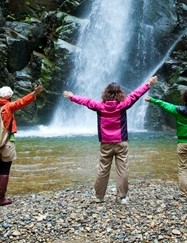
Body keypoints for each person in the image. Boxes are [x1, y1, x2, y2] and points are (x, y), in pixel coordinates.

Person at [63, 76, 158, 204]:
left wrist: (72, 97)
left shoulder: (99, 106)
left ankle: (99, 197)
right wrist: (148, 84)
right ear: (120, 93)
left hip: (106, 143)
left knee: (103, 169)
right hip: (121, 142)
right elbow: (136, 94)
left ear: (105, 93)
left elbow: (86, 101)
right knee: (122, 169)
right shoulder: (123, 105)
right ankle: (122, 197)